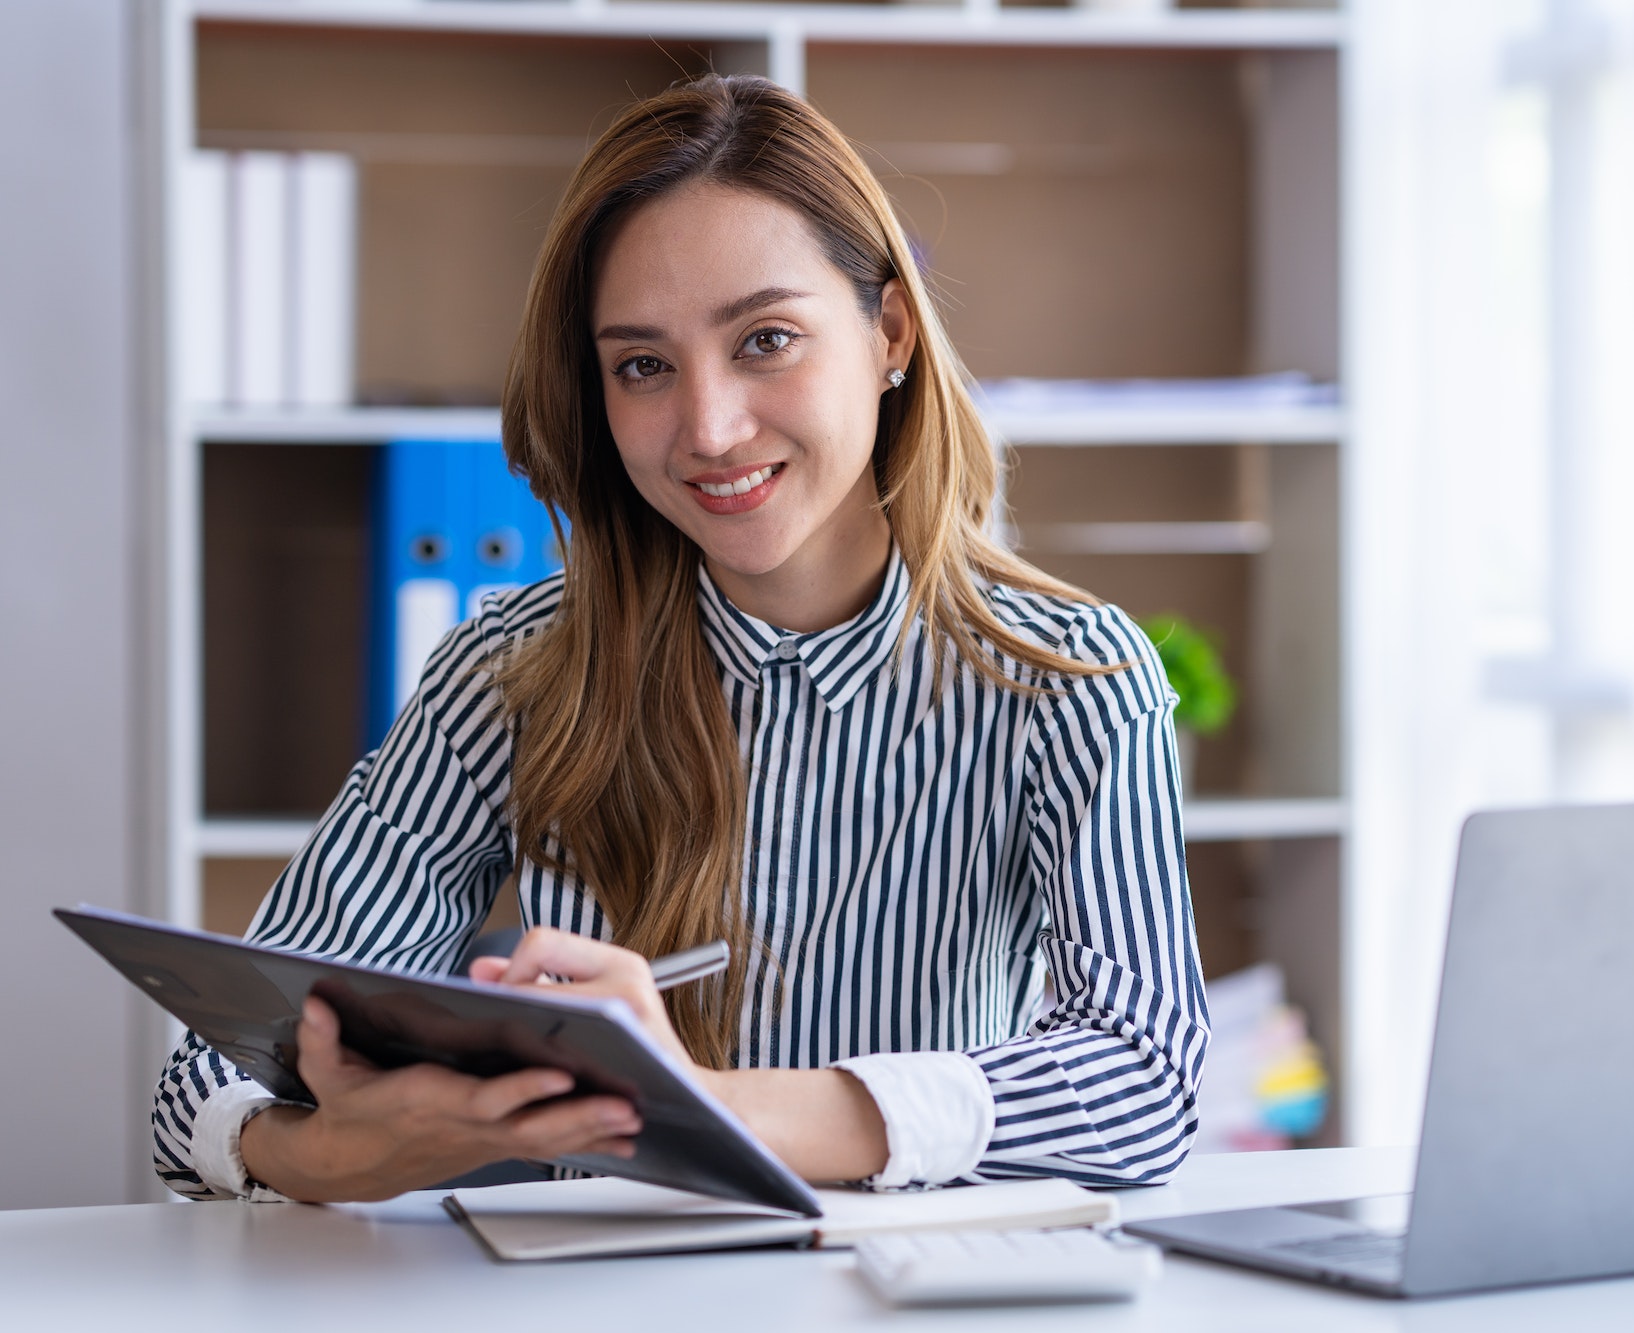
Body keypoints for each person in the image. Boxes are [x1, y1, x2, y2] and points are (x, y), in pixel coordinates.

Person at [154, 73, 1207, 1203]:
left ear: (888, 330)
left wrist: (700, 1100)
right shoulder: (512, 675)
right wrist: (326, 1154)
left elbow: (1143, 1076)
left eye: (765, 339)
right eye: (642, 366)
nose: (707, 429)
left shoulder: (1065, 679)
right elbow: (206, 1073)